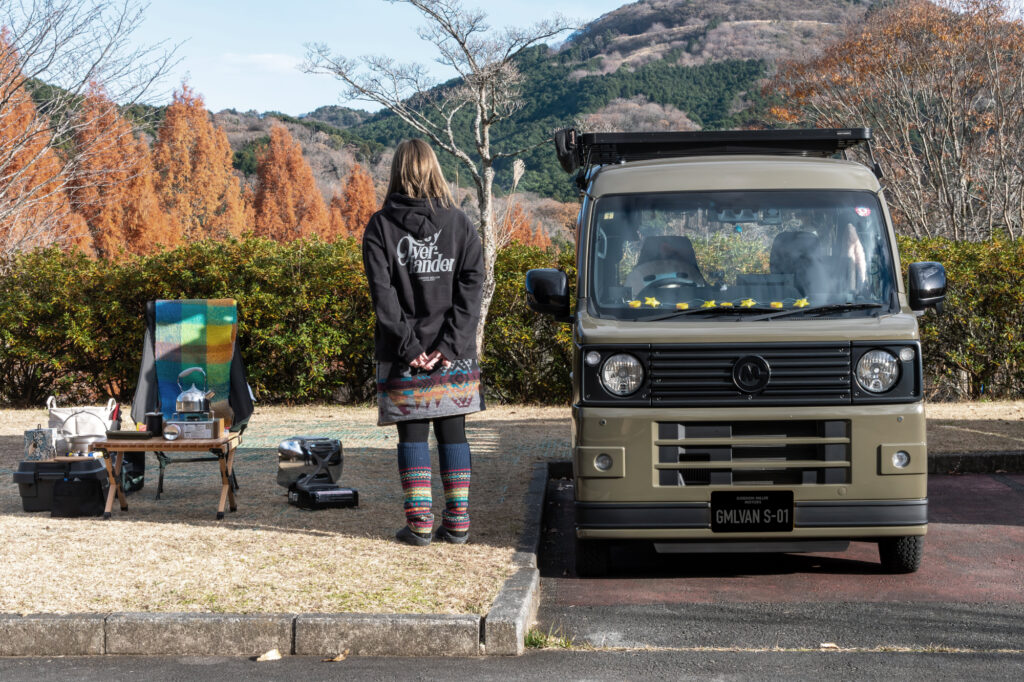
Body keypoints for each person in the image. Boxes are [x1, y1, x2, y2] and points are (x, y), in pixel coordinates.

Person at [362, 139, 485, 547]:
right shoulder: (459, 224)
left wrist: (410, 347)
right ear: (435, 169)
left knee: (411, 438)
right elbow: (472, 288)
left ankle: (418, 526)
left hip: (404, 357)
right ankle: (459, 524)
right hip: (454, 356)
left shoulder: (380, 226)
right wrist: (450, 346)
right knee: (455, 436)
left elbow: (384, 297)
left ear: (397, 171)